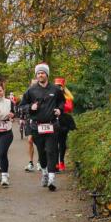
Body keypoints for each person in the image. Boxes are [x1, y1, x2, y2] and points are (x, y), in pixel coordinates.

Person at [22, 63, 65, 192]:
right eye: (38, 73)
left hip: (51, 125)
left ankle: (52, 178)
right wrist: (30, 107)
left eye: (43, 73)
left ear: (47, 74)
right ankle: (45, 172)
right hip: (37, 127)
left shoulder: (55, 89)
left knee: (51, 150)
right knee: (42, 152)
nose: (40, 75)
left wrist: (59, 109)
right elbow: (22, 105)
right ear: (36, 75)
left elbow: (62, 101)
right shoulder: (31, 90)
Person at [55, 77, 77, 172]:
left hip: (63, 121)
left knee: (62, 143)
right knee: (53, 143)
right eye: (56, 86)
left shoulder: (67, 96)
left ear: (63, 87)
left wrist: (59, 107)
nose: (58, 87)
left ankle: (61, 162)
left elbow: (70, 107)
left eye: (60, 86)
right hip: (52, 121)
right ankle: (55, 163)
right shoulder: (51, 95)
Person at [19, 79, 37, 171]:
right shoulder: (27, 94)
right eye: (33, 84)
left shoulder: (42, 93)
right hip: (29, 120)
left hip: (40, 120)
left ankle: (40, 162)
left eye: (36, 84)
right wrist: (21, 118)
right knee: (30, 140)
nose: (34, 86)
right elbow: (22, 106)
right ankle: (31, 163)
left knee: (39, 142)